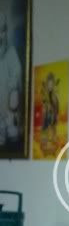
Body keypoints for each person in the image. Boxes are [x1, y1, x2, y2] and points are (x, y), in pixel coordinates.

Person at [0, 9, 22, 147]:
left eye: (2, 31)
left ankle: (9, 125)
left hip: (8, 104)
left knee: (13, 135)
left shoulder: (10, 52)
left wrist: (13, 89)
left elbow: (16, 72)